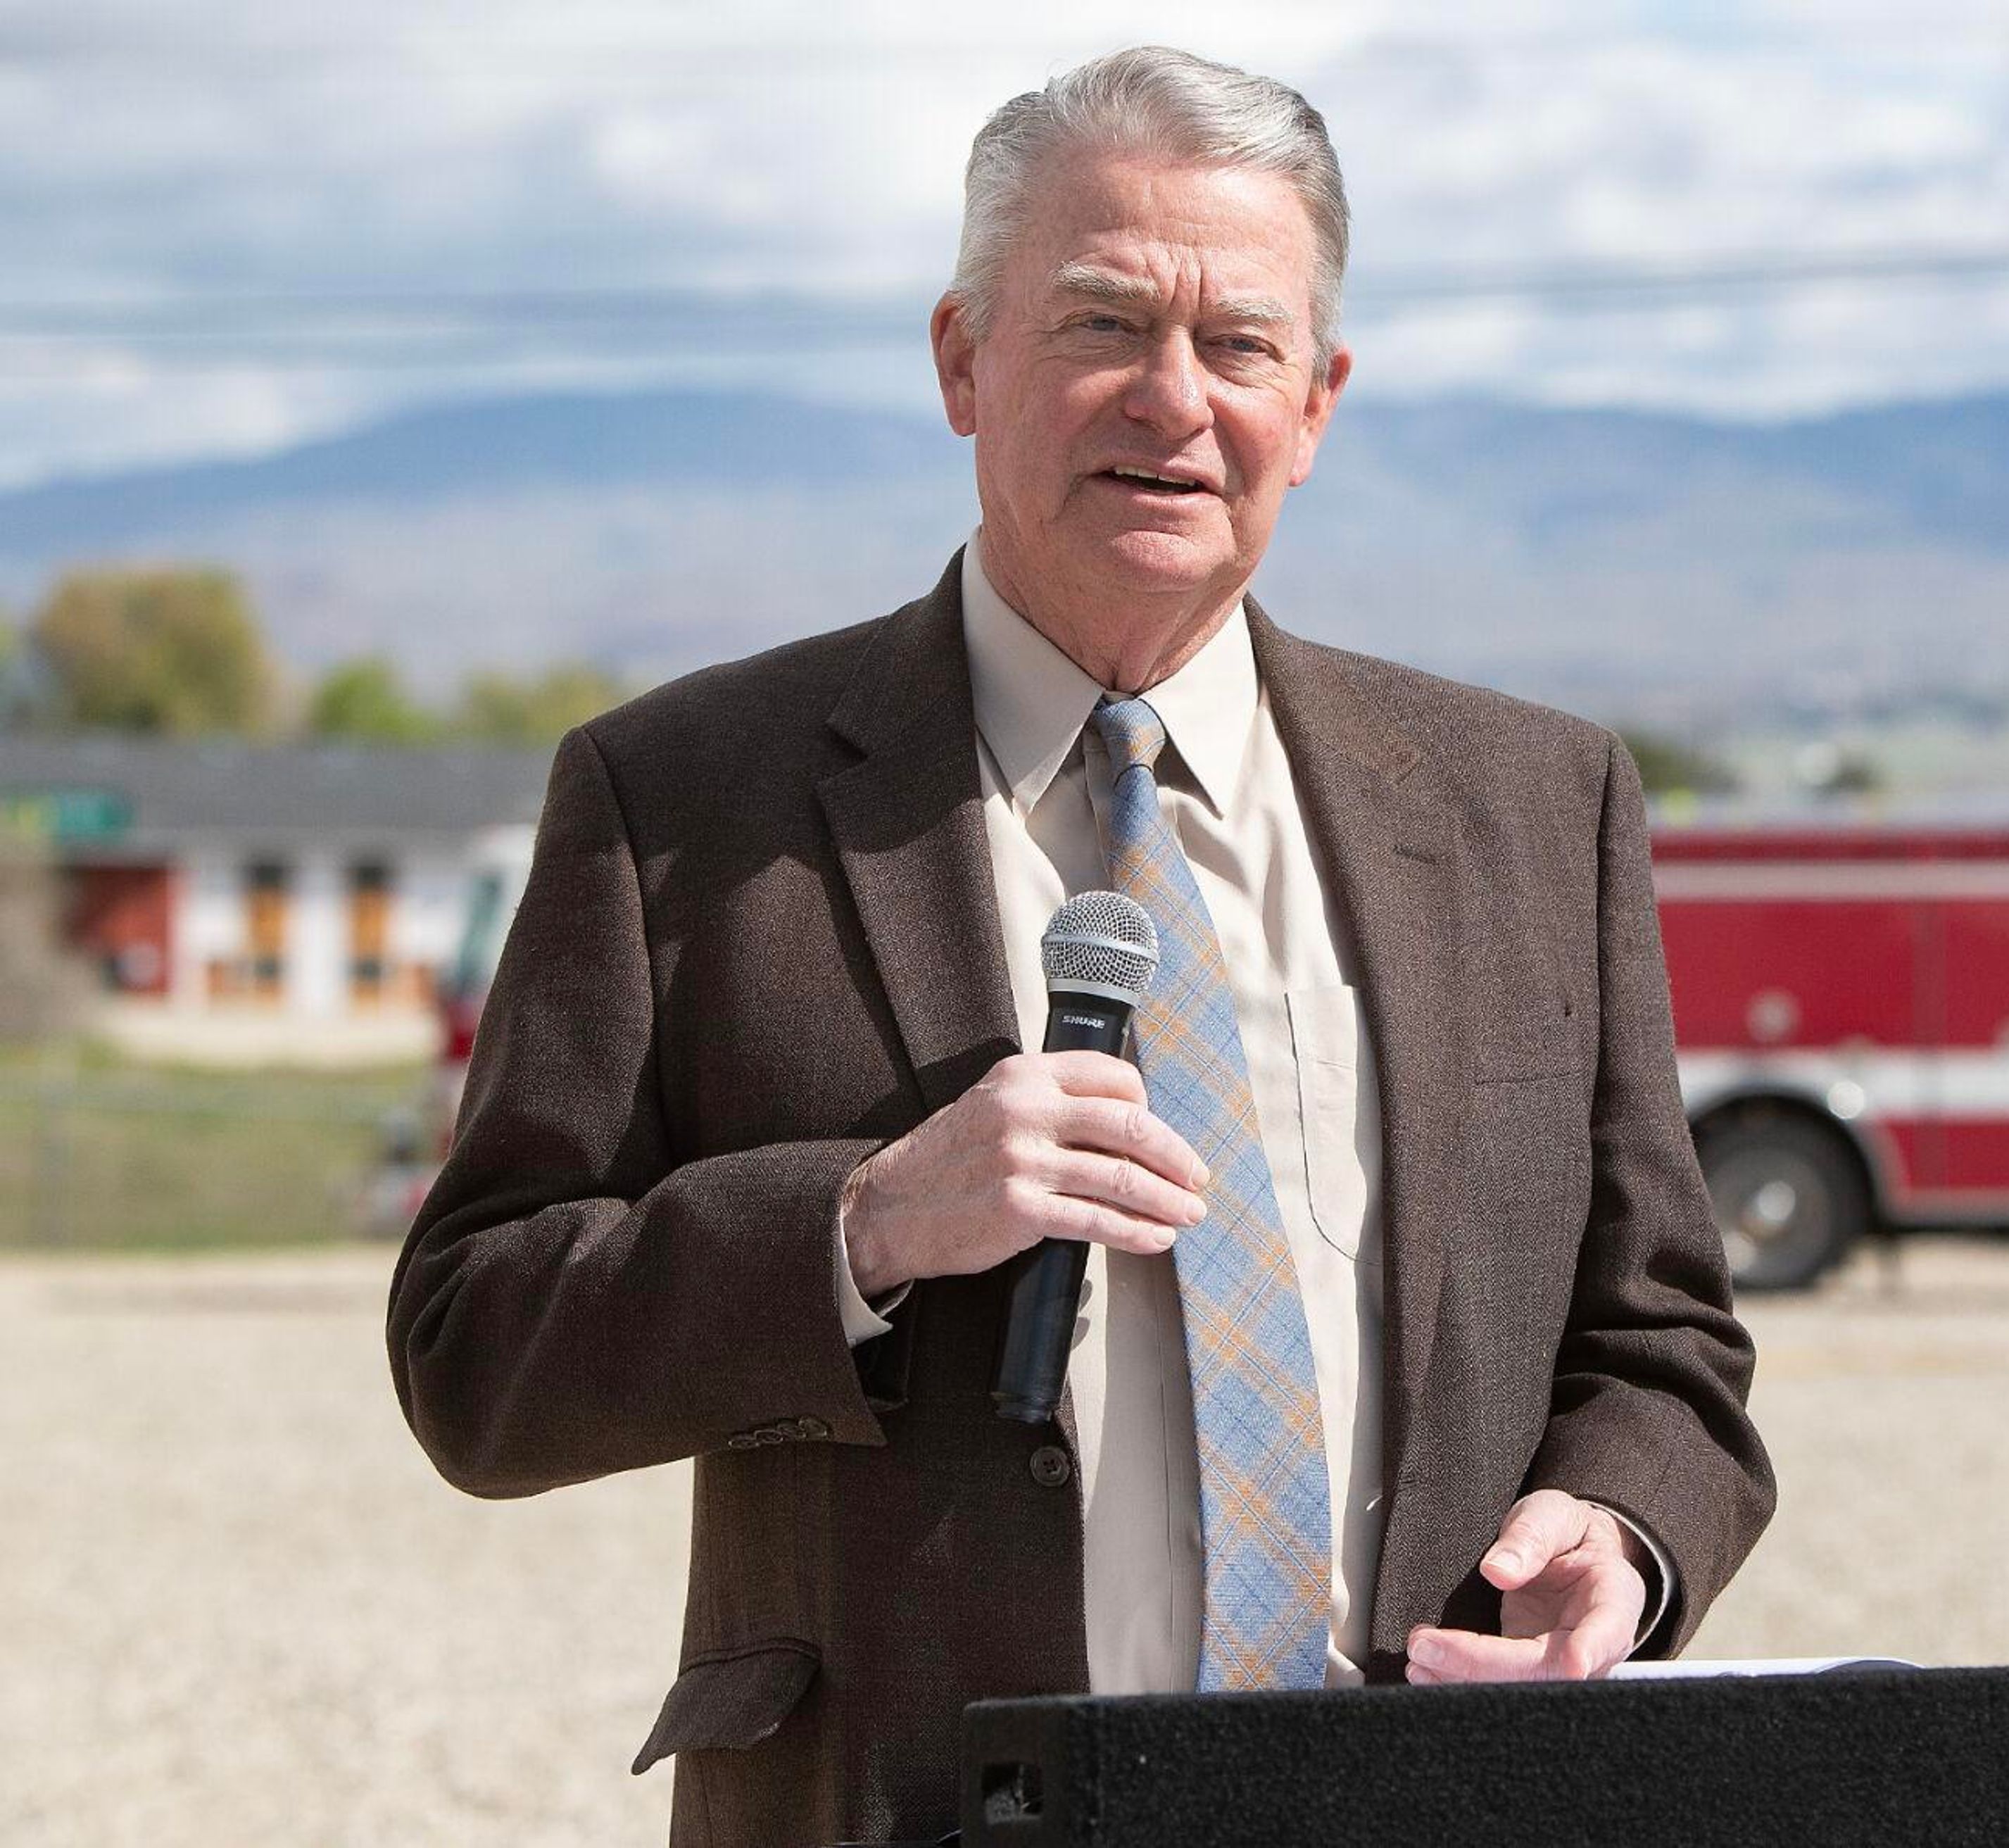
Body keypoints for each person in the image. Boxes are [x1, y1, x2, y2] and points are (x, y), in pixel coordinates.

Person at [388, 45, 1773, 1847]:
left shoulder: (1533, 801)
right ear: (963, 361)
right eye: (1103, 323)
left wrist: (1626, 1534)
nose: (1173, 400)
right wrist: (860, 1223)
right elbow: (474, 1350)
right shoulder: (687, 800)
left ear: (1322, 399)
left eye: (1241, 344)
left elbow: (1663, 1339)